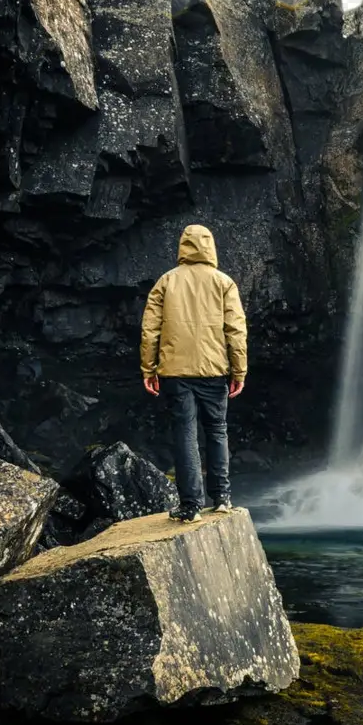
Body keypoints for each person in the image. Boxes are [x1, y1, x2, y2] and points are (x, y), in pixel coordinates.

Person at [140, 223, 247, 522]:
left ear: (183, 247)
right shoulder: (224, 283)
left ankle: (191, 506)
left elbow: (150, 330)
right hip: (214, 370)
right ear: (211, 247)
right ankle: (222, 498)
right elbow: (236, 331)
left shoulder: (166, 282)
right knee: (217, 429)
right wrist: (239, 370)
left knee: (185, 434)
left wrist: (149, 368)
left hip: (175, 372)